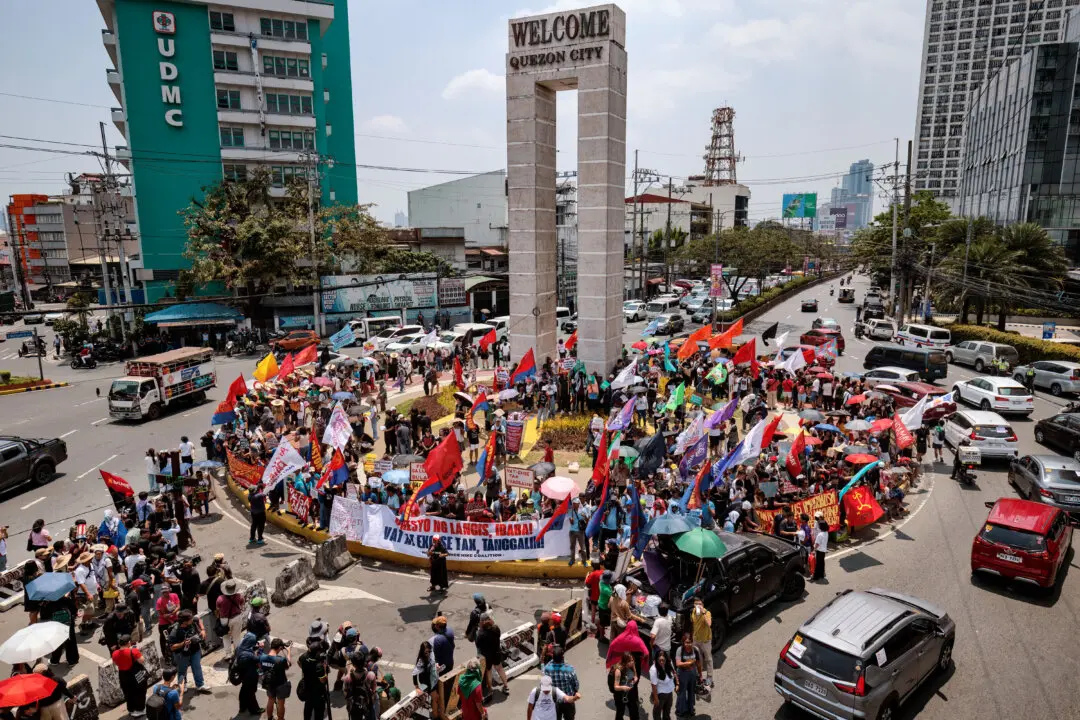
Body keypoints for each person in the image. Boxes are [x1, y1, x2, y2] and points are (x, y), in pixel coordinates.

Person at [168, 610, 209, 695]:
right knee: (182, 671)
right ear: (184, 622)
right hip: (182, 654)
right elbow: (172, 647)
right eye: (190, 619)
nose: (192, 619)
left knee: (197, 667)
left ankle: (200, 685)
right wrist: (183, 643)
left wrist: (203, 630)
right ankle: (183, 685)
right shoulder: (175, 631)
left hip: (195, 650)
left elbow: (198, 619)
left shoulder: (192, 620)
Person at [112, 634, 147, 717]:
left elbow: (116, 664)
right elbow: (142, 660)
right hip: (134, 675)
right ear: (128, 642)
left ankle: (131, 709)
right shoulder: (133, 651)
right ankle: (140, 709)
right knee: (140, 691)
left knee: (128, 693)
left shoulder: (114, 653)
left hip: (123, 675)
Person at [542, 645, 579, 720]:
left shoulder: (546, 669)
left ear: (553, 657)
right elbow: (576, 685)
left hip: (554, 702)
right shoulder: (569, 669)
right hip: (568, 701)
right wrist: (575, 692)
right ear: (562, 657)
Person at [298, 633, 330, 720]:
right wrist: (324, 669)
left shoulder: (304, 657)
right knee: (319, 714)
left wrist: (306, 669)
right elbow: (323, 680)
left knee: (307, 710)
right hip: (318, 693)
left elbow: (299, 662)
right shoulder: (319, 666)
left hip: (307, 690)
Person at [259, 637, 292, 720]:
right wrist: (288, 651)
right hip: (281, 683)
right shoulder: (281, 660)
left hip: (269, 683)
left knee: (270, 700)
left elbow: (260, 666)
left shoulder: (262, 657)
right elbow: (288, 666)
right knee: (281, 704)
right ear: (280, 648)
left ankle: (269, 717)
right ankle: (280, 719)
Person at [412, 641, 443, 720]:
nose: (428, 653)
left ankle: (435, 713)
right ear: (422, 652)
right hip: (427, 683)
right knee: (436, 698)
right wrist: (417, 687)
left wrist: (436, 666)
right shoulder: (421, 661)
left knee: (436, 698)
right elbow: (414, 674)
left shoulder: (431, 654)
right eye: (426, 652)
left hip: (433, 679)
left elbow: (433, 663)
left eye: (429, 651)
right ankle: (436, 716)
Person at [215, 579, 246, 659]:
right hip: (237, 617)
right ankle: (237, 653)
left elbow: (217, 610)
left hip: (224, 620)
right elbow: (242, 604)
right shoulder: (239, 596)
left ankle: (228, 654)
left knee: (226, 637)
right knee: (236, 636)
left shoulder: (220, 599)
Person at [674, 633, 699, 718]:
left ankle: (691, 709)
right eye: (686, 642)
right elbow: (678, 663)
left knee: (692, 692)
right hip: (682, 675)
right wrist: (689, 663)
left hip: (692, 674)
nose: (688, 644)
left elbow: (699, 664)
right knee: (682, 693)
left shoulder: (695, 649)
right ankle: (681, 711)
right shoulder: (679, 650)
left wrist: (700, 676)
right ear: (683, 642)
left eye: (690, 642)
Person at [689, 597, 713, 687]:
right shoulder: (693, 612)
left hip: (706, 640)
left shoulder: (707, 613)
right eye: (696, 604)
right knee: (698, 659)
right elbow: (693, 625)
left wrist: (703, 613)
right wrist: (692, 637)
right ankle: (700, 676)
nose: (697, 606)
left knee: (708, 658)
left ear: (703, 605)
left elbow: (709, 624)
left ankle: (710, 677)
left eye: (699, 604)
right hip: (696, 639)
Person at [649, 650, 676, 720]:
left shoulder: (669, 663)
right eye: (659, 660)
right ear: (656, 659)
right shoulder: (653, 669)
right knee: (657, 714)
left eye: (663, 660)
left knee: (667, 712)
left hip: (669, 692)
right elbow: (653, 685)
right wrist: (656, 699)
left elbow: (674, 673)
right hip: (660, 694)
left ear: (666, 658)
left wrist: (677, 683)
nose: (661, 662)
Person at [612, 651, 640, 720]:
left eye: (633, 660)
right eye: (630, 661)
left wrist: (635, 678)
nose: (632, 662)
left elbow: (635, 676)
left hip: (630, 693)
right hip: (620, 695)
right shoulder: (618, 671)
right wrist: (624, 687)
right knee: (620, 712)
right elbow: (616, 687)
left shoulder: (632, 665)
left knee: (634, 712)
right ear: (625, 661)